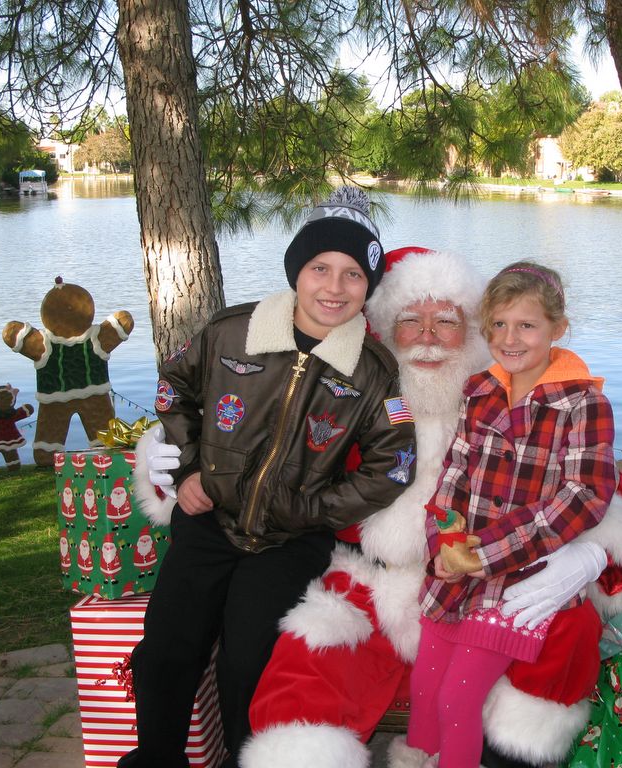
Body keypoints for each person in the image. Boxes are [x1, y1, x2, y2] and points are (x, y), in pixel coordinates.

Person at [240, 249, 622, 768]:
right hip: (378, 579)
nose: (428, 337)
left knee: (564, 635)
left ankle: (509, 754)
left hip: (500, 573)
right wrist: (184, 462)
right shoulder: (353, 400)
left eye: (446, 323)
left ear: (472, 334)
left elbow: (596, 491)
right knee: (307, 662)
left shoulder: (509, 394)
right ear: (386, 331)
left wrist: (590, 558)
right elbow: (270, 452)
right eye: (411, 321)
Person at [119, 187, 417, 768]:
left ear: (369, 286)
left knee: (248, 658)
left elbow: (393, 465)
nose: (334, 287)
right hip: (209, 520)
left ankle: (241, 759)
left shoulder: (374, 373)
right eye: (320, 269)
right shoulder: (232, 332)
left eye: (353, 274)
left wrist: (316, 511)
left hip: (289, 540)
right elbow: (172, 388)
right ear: (296, 271)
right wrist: (187, 467)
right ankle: (155, 758)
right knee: (166, 650)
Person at [405, 261, 620, 768]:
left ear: (557, 329)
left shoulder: (583, 402)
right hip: (456, 575)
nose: (511, 337)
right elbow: (452, 480)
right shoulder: (479, 391)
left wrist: (489, 553)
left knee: (458, 701)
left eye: (527, 325)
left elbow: (586, 493)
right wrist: (442, 545)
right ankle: (416, 759)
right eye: (498, 324)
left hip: (519, 581)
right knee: (424, 688)